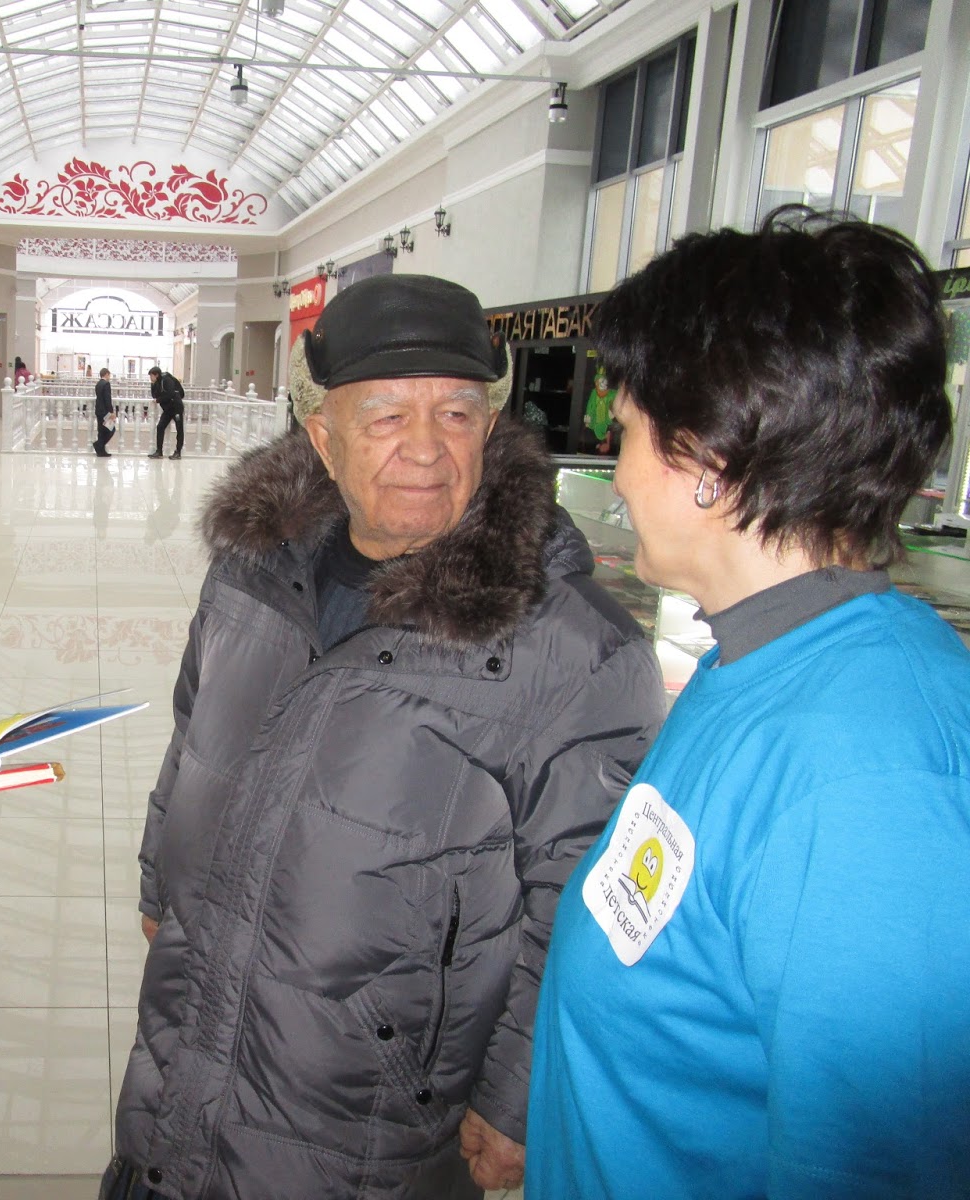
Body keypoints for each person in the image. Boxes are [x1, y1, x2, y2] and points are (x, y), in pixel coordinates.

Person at [104, 274, 665, 1200]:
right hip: (186, 1061)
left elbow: (590, 899)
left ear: (490, 428)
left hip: (374, 1118)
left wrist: (516, 1096)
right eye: (387, 417)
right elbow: (193, 732)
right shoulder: (254, 572)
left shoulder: (572, 648)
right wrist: (162, 876)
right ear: (323, 438)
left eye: (456, 414)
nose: (426, 448)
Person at [527, 211, 970, 1197]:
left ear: (710, 458)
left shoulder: (868, 779)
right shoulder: (759, 664)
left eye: (627, 430)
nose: (615, 468)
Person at [147, 365, 185, 459]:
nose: (150, 378)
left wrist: (158, 400)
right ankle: (159, 451)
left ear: (156, 375)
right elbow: (154, 395)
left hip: (176, 407)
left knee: (179, 429)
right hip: (168, 409)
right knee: (160, 427)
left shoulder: (167, 380)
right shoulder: (157, 382)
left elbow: (170, 393)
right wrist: (152, 384)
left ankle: (178, 452)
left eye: (151, 376)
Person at [94, 366, 115, 457]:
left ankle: (101, 450)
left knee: (101, 431)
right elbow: (107, 399)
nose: (109, 377)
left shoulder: (98, 384)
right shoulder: (106, 384)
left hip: (98, 410)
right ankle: (98, 445)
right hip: (105, 412)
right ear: (106, 374)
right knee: (111, 429)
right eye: (109, 375)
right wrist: (111, 412)